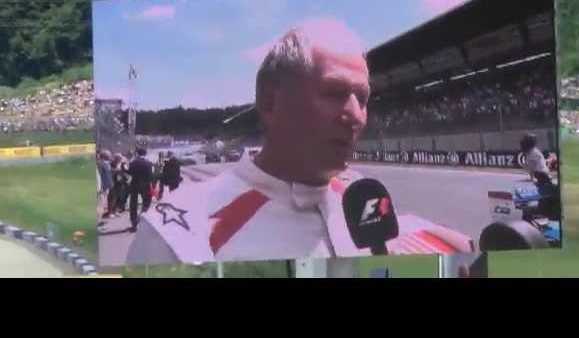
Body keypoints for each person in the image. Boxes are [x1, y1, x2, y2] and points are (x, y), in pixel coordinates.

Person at [127, 20, 472, 264]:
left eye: (363, 98)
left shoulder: (361, 197)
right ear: (271, 102)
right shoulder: (176, 236)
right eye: (335, 93)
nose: (356, 115)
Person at [128, 146, 154, 232]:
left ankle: (134, 223)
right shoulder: (149, 163)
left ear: (137, 153)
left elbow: (130, 174)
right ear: (145, 153)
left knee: (133, 205)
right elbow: (150, 177)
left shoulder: (132, 163)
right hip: (145, 185)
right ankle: (141, 217)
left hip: (135, 184)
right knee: (146, 203)